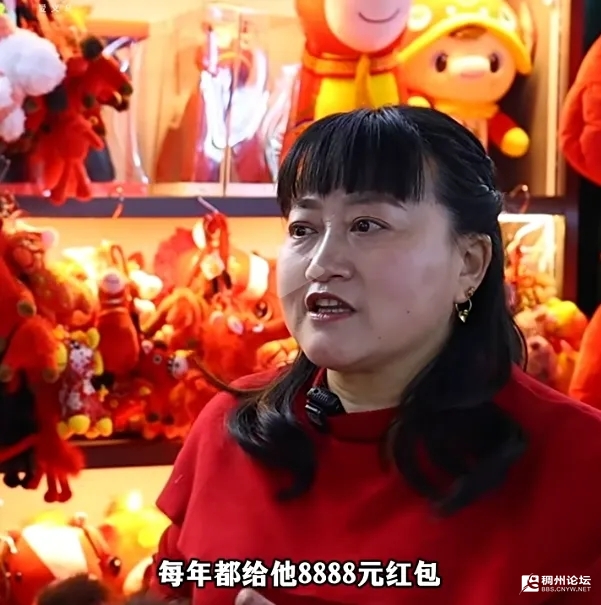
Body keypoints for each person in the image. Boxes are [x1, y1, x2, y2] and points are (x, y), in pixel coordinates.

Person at [148, 106, 601, 605]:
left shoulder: (580, 462)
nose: (321, 264)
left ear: (469, 263)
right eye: (303, 228)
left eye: (367, 225)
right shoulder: (230, 428)